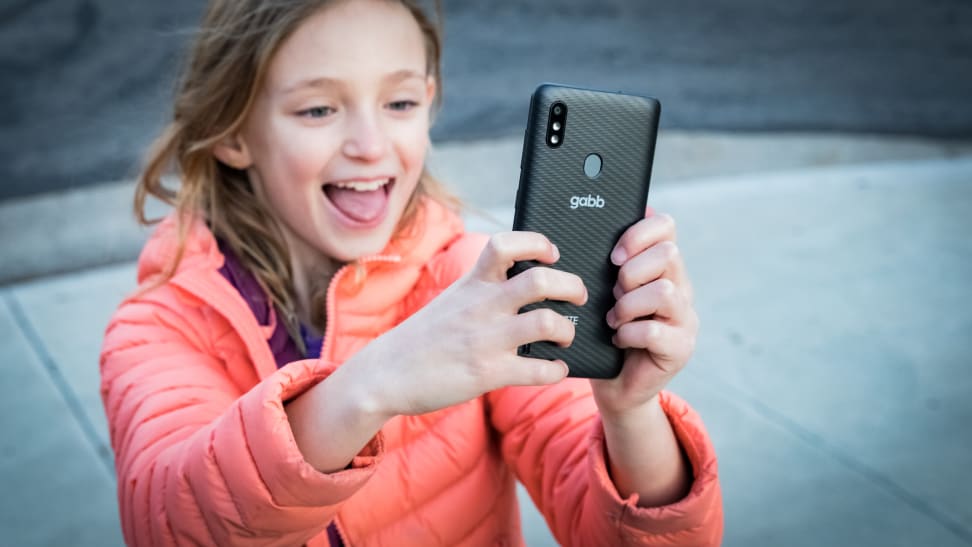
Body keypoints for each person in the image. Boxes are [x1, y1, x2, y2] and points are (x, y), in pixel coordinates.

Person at [99, 0, 723, 545]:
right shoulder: (158, 328)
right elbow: (168, 526)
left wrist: (629, 414)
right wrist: (371, 385)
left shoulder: (483, 290)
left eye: (399, 102)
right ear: (233, 132)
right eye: (318, 110)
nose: (370, 144)